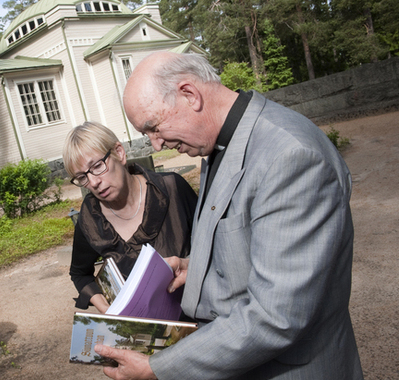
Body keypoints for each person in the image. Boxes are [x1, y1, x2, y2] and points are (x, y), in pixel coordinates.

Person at [94, 52, 364, 379]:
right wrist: (196, 267)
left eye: (153, 127)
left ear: (190, 95)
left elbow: (277, 316)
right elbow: (258, 242)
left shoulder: (291, 157)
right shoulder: (219, 143)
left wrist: (156, 368)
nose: (155, 144)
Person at [63, 121, 197, 313]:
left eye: (98, 166)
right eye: (82, 177)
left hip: (199, 320)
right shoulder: (90, 218)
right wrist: (105, 306)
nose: (93, 182)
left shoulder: (172, 189)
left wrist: (190, 266)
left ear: (119, 152)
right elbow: (79, 273)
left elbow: (218, 248)